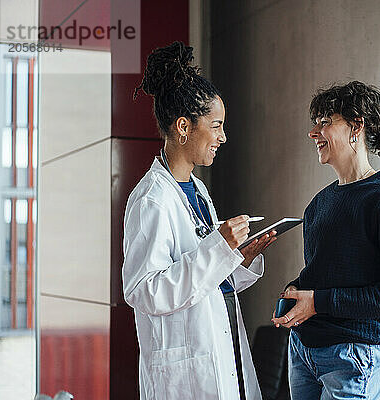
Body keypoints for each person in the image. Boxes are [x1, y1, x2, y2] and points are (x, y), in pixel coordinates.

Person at [122, 41, 276, 400]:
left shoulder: (196, 190)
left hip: (221, 353)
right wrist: (220, 249)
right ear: (183, 127)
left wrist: (241, 257)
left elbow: (206, 279)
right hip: (185, 372)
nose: (222, 137)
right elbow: (145, 290)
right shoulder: (151, 200)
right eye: (216, 126)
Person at [272, 81, 380, 399]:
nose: (313, 133)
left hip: (353, 357)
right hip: (303, 349)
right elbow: (329, 275)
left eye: (325, 122)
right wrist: (296, 289)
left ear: (356, 127)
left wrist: (318, 302)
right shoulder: (318, 203)